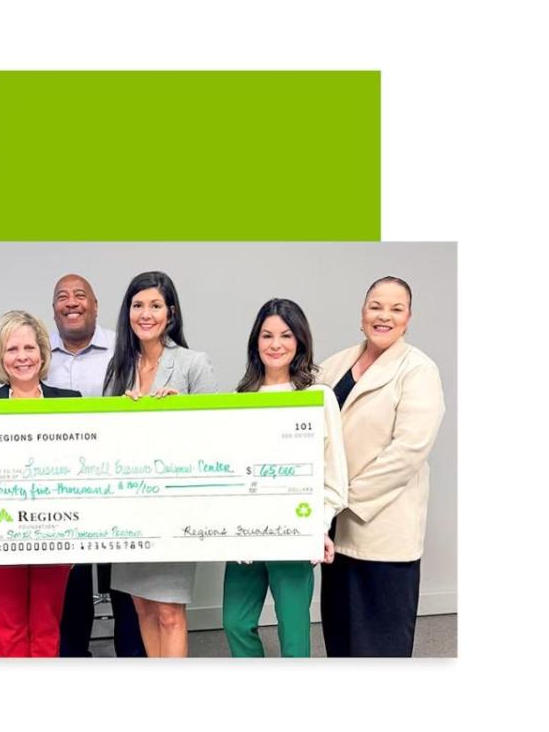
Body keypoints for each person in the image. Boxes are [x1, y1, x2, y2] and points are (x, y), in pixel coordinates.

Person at [317, 277, 445, 657]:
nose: (384, 316)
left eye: (396, 308)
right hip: (337, 534)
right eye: (376, 306)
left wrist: (341, 499)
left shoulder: (419, 370)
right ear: (362, 313)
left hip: (382, 529)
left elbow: (407, 451)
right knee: (340, 636)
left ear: (408, 318)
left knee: (380, 643)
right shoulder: (335, 364)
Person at [221, 298, 348, 657]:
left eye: (285, 335)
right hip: (246, 537)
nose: (275, 344)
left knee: (293, 633)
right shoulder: (239, 399)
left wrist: (318, 527)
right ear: (255, 343)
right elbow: (230, 471)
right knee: (235, 622)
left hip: (295, 533)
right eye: (267, 335)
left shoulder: (317, 397)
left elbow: (335, 475)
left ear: (300, 342)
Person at [104, 270, 217, 657]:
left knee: (169, 611)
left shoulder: (192, 363)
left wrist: (180, 412)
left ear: (171, 312)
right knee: (142, 606)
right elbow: (102, 442)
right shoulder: (118, 367)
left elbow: (214, 440)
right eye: (138, 305)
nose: (145, 314)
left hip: (173, 510)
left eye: (155, 305)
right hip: (129, 508)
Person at [0, 311, 77, 657]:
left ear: (42, 353)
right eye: (12, 349)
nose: (21, 357)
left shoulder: (69, 402)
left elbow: (81, 467)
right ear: (0, 356)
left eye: (29, 347)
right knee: (8, 633)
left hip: (53, 534)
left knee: (46, 630)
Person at [45, 274, 145, 658]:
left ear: (96, 304)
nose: (71, 302)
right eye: (62, 297)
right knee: (70, 583)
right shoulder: (38, 351)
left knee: (124, 578)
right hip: (61, 487)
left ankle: (132, 662)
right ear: (53, 307)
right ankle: (73, 660)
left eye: (80, 295)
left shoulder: (124, 348)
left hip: (118, 482)